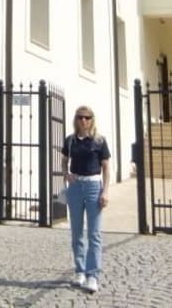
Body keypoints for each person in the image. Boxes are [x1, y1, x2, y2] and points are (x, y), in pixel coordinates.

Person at [61, 105, 110, 293]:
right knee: (76, 232)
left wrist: (105, 192)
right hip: (75, 187)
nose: (84, 120)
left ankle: (92, 276)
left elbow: (106, 167)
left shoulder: (99, 141)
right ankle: (80, 271)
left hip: (93, 187)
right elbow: (64, 160)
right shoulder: (70, 140)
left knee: (94, 234)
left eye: (87, 117)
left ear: (92, 119)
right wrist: (66, 174)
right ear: (76, 119)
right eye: (81, 117)